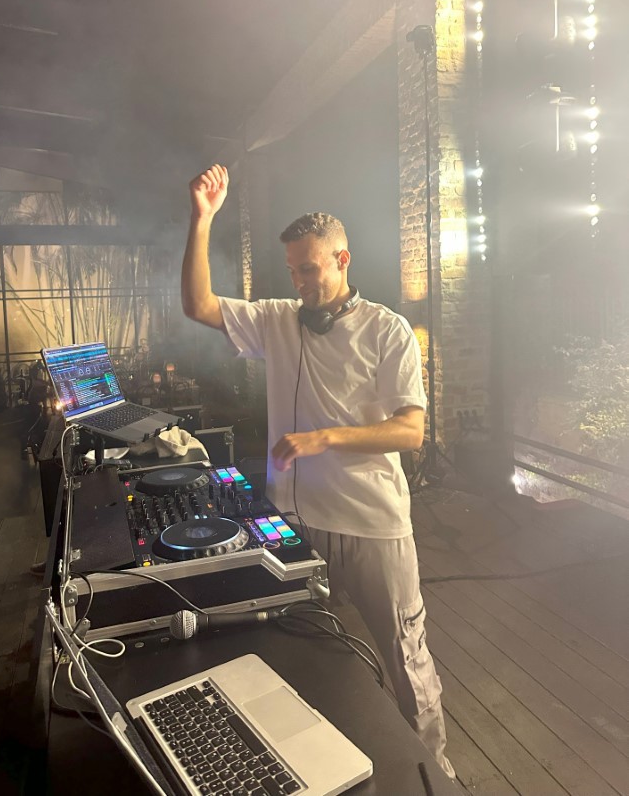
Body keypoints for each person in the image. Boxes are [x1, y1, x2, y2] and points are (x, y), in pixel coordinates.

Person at [181, 164, 455, 780]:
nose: (300, 282)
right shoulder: (278, 319)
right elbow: (198, 304)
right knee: (302, 654)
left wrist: (324, 438)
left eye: (310, 268)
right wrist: (202, 218)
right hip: (294, 522)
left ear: (342, 259)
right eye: (293, 271)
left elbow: (410, 431)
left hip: (370, 524)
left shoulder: (387, 330)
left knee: (406, 659)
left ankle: (435, 777)